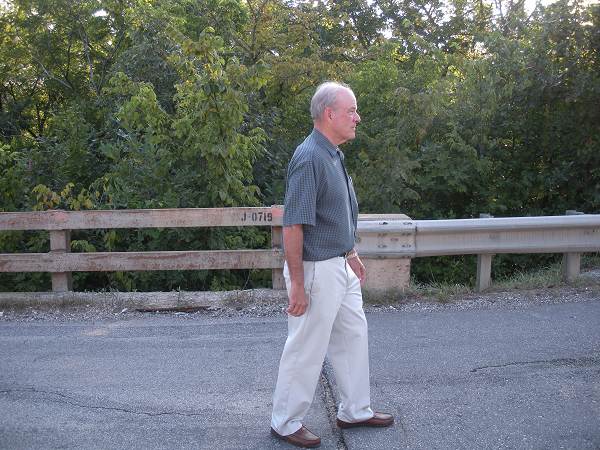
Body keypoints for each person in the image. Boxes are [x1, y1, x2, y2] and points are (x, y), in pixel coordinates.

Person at [270, 81, 394, 448]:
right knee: (306, 346)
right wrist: (297, 283)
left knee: (353, 336)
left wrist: (351, 253)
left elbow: (335, 214)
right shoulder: (309, 157)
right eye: (351, 110)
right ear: (329, 114)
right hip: (315, 270)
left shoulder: (333, 154)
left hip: (339, 265)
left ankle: (354, 410)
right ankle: (285, 421)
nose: (357, 117)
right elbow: (293, 223)